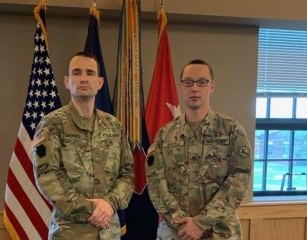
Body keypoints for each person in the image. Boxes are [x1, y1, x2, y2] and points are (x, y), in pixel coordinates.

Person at [32, 52, 134, 240]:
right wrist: (90, 209)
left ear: (100, 82)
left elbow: (127, 174)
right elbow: (47, 176)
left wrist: (109, 203)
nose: (84, 78)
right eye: (77, 73)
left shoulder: (113, 125)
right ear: (67, 81)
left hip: (108, 232)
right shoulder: (52, 125)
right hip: (70, 233)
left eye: (90, 73)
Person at [146, 59, 252, 240]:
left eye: (202, 82)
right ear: (181, 86)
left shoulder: (232, 130)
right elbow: (156, 181)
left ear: (212, 86)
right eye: (188, 82)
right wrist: (180, 221)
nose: (195, 88)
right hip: (175, 232)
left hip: (220, 231)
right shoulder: (165, 134)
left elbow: (239, 179)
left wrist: (201, 222)